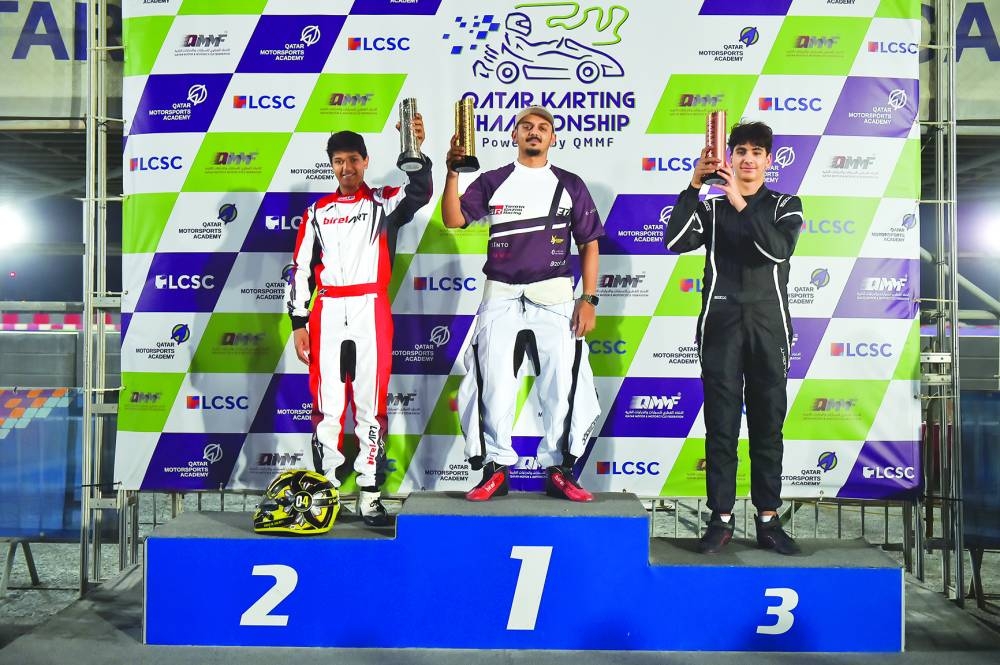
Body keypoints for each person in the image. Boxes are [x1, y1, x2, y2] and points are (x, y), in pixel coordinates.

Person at [441, 105, 603, 502]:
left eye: (543, 128)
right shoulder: (494, 180)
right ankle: (494, 469)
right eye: (526, 127)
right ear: (514, 136)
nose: (534, 132)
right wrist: (452, 172)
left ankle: (559, 470)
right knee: (491, 382)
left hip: (556, 296)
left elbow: (590, 244)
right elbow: (453, 219)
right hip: (500, 294)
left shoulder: (570, 184)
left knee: (563, 385)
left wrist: (589, 298)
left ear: (553, 139)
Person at [664, 121, 803, 554]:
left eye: (755, 152)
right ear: (729, 156)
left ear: (768, 159)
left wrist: (739, 201)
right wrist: (693, 185)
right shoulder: (711, 205)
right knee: (720, 427)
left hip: (769, 325)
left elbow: (776, 250)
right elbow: (674, 241)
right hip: (720, 323)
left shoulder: (785, 204)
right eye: (739, 150)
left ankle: (768, 519)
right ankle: (720, 519)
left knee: (767, 427)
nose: (747, 158)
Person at [285, 121, 432, 526]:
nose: (346, 168)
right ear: (331, 166)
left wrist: (415, 148)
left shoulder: (383, 203)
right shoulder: (317, 212)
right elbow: (301, 270)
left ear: (366, 162)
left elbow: (420, 191)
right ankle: (326, 494)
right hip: (328, 310)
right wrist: (299, 321)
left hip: (370, 307)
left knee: (370, 404)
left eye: (353, 160)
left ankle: (370, 495)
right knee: (328, 406)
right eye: (338, 161)